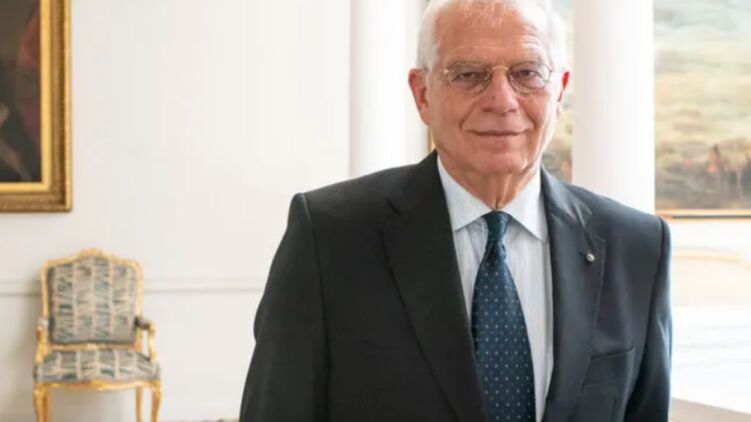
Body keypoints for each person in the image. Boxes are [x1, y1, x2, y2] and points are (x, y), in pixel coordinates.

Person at [240, 0, 671, 421]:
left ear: (559, 91)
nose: (501, 100)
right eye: (468, 75)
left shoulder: (637, 247)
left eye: (526, 73)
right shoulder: (329, 238)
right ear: (422, 94)